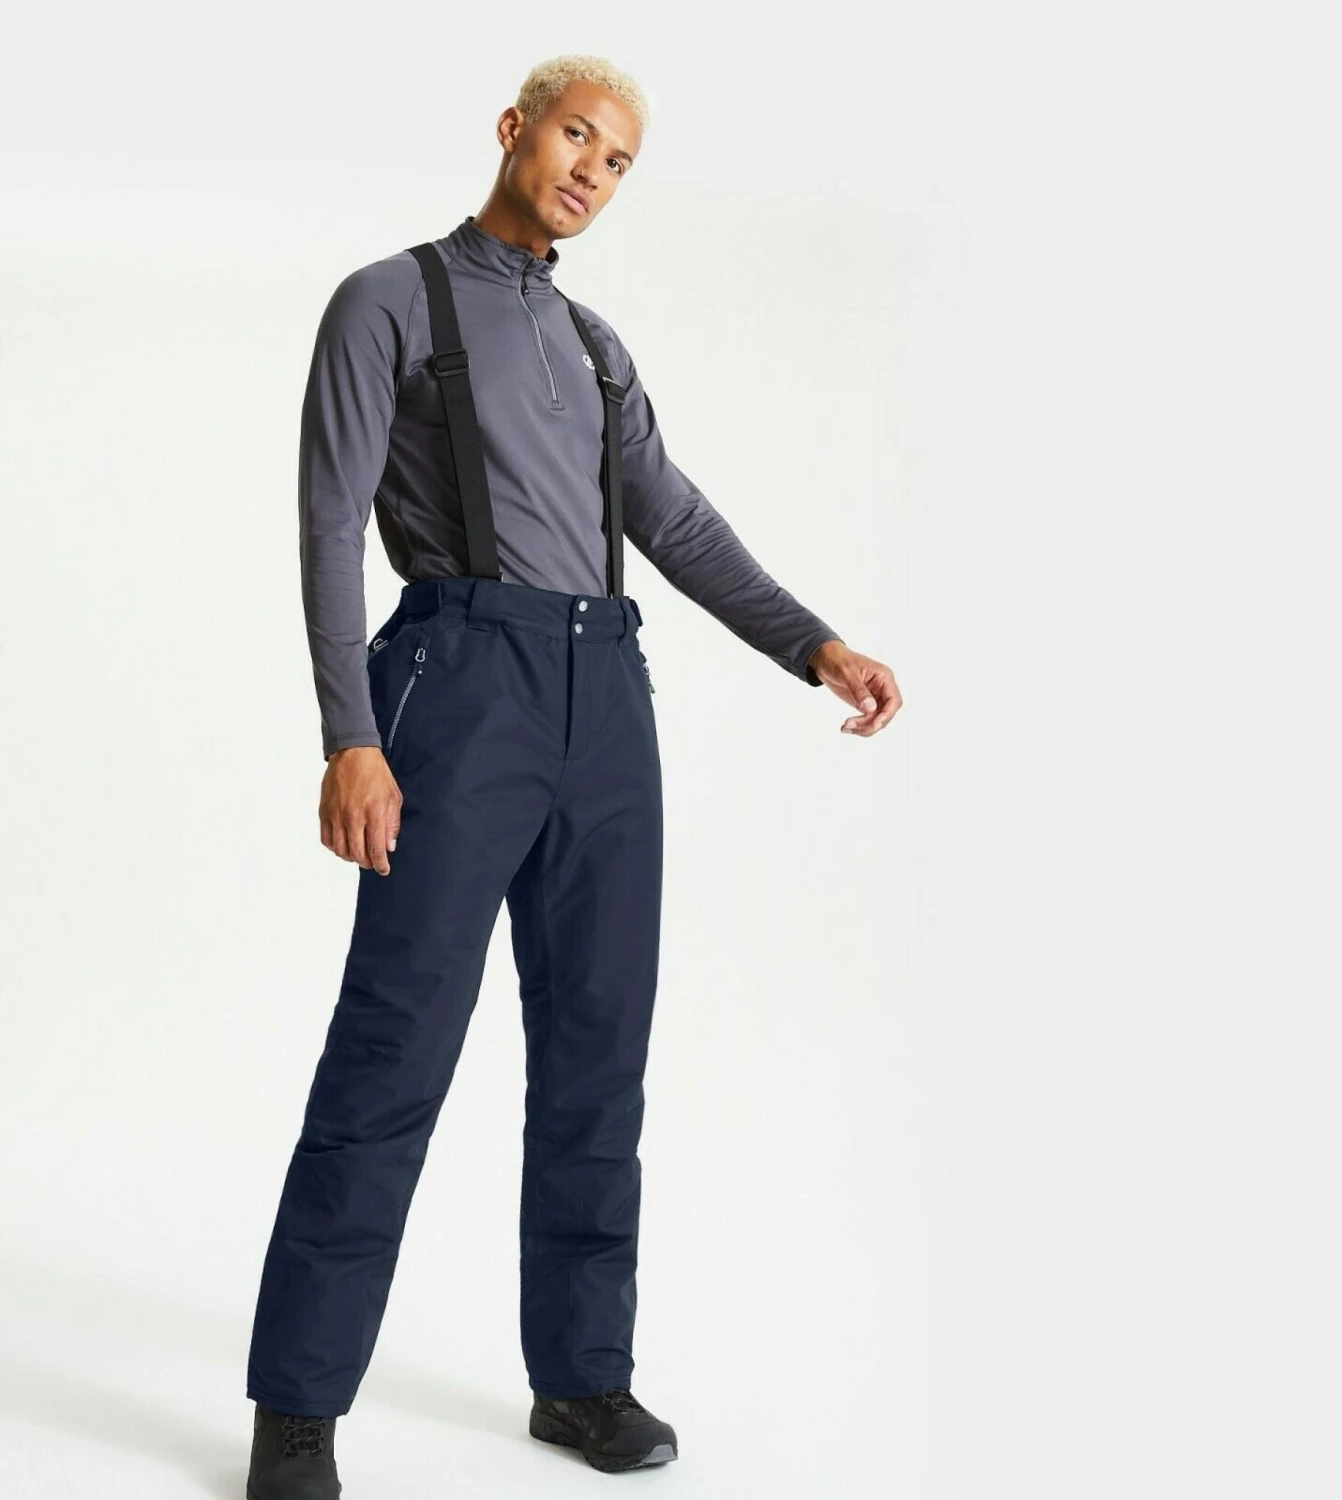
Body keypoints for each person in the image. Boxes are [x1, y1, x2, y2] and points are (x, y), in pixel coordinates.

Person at [243, 52, 902, 1497]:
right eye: (576, 138)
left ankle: (583, 1377)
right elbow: (328, 522)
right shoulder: (389, 302)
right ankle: (297, 1408)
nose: (591, 173)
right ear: (515, 128)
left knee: (600, 1052)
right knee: (393, 1049)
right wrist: (350, 734)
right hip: (457, 682)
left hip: (606, 692)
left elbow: (672, 517)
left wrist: (814, 643)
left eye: (618, 162)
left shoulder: (598, 346)